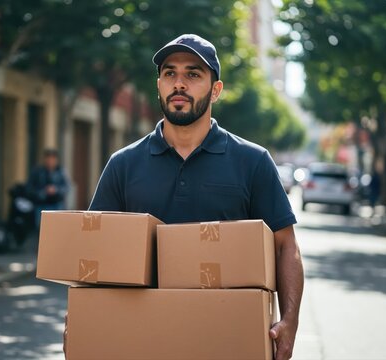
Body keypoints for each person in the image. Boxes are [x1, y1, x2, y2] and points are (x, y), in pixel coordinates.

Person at [85, 34, 304, 360]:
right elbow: (95, 254)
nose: (179, 84)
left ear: (216, 89)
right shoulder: (124, 164)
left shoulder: (252, 161)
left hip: (228, 341)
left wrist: (290, 321)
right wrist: (81, 319)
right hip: (141, 342)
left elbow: (286, 244)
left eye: (193, 74)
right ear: (158, 84)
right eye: (170, 73)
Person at [26, 149, 69, 231]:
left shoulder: (61, 172)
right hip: (41, 205)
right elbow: (30, 188)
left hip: (57, 205)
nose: (50, 161)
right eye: (48, 159)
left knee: (57, 229)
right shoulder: (37, 172)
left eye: (52, 159)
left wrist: (56, 190)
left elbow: (66, 187)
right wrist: (42, 192)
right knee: (42, 229)